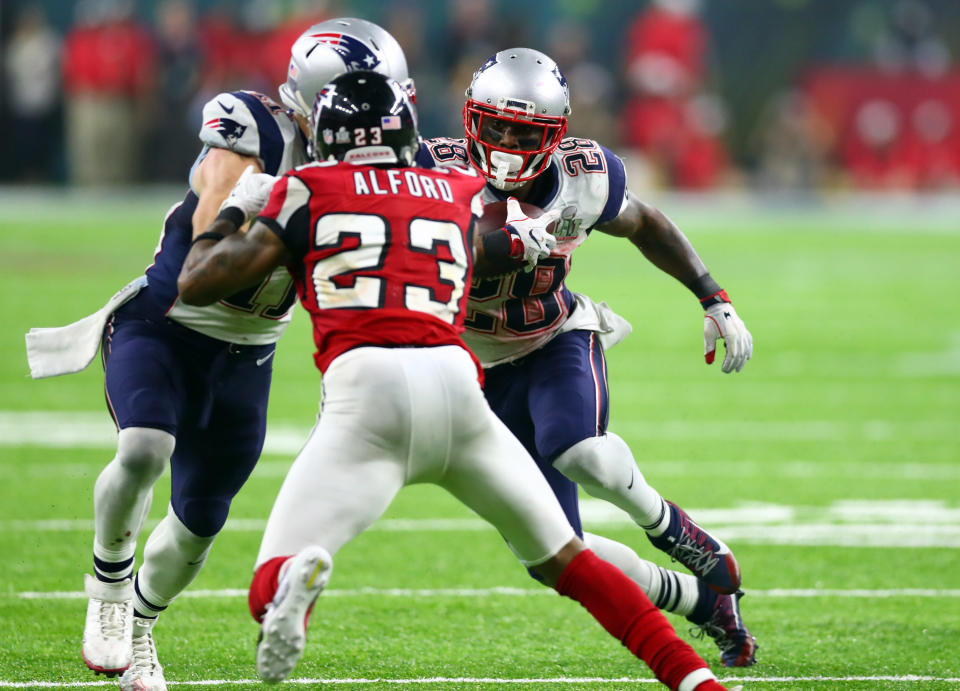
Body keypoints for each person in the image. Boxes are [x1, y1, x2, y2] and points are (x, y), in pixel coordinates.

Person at [177, 69, 738, 691]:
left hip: (375, 393)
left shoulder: (308, 187)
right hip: (458, 382)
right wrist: (537, 236)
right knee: (567, 559)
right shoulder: (450, 188)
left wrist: (234, 207)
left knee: (276, 566)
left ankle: (291, 581)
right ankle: (695, 679)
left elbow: (199, 280)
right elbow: (480, 244)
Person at [27, 18, 413, 691]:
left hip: (249, 353)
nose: (383, 116)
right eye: (368, 98)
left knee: (200, 521)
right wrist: (263, 212)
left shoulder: (381, 161)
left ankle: (144, 625)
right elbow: (205, 251)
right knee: (146, 444)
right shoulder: (256, 133)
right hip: (167, 323)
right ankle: (110, 587)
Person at [417, 48, 756, 667]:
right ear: (471, 120)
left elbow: (646, 224)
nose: (508, 142)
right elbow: (428, 252)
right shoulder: (433, 171)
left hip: (554, 338)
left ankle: (672, 530)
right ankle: (704, 603)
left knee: (581, 450)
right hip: (470, 368)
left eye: (526, 131)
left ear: (556, 134)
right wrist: (496, 246)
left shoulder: (583, 176)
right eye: (496, 126)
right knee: (553, 553)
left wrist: (715, 298)